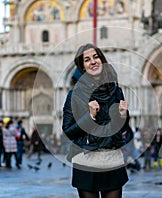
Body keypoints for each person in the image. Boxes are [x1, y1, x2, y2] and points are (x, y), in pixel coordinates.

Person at [62, 43, 131, 198]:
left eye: (96, 57)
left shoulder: (116, 91)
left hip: (111, 159)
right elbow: (68, 131)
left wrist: (122, 115)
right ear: (82, 67)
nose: (93, 61)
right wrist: (90, 116)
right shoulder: (74, 95)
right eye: (87, 60)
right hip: (86, 161)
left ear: (102, 60)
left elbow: (123, 128)